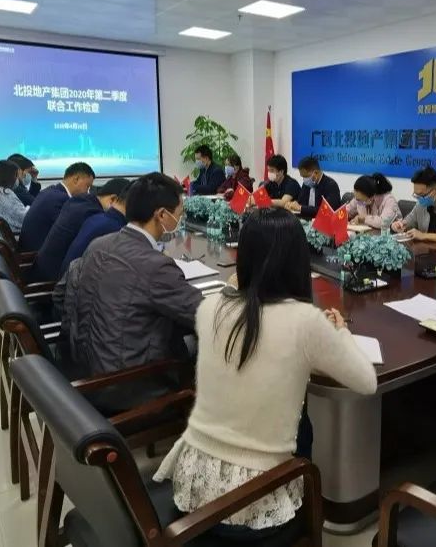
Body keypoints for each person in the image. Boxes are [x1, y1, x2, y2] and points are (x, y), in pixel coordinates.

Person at [153, 207, 377, 537]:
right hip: (252, 504)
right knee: (301, 421)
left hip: (192, 485)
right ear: (299, 261)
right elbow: (366, 381)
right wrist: (341, 332)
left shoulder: (212, 308)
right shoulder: (303, 322)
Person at [60, 173, 202, 375]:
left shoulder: (99, 244)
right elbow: (203, 314)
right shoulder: (156, 266)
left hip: (86, 367)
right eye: (180, 214)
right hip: (128, 381)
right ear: (162, 215)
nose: (180, 219)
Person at [33, 178, 131, 282]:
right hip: (54, 279)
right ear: (113, 199)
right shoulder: (96, 215)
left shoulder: (79, 201)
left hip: (43, 265)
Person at [59, 180, 132, 277]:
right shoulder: (115, 229)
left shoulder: (95, 217)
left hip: (65, 276)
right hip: (72, 281)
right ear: (113, 199)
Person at [18, 162, 95, 252]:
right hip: (35, 255)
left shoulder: (50, 191)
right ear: (76, 179)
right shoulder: (62, 200)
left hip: (29, 249)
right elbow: (71, 233)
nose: (87, 192)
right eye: (87, 186)